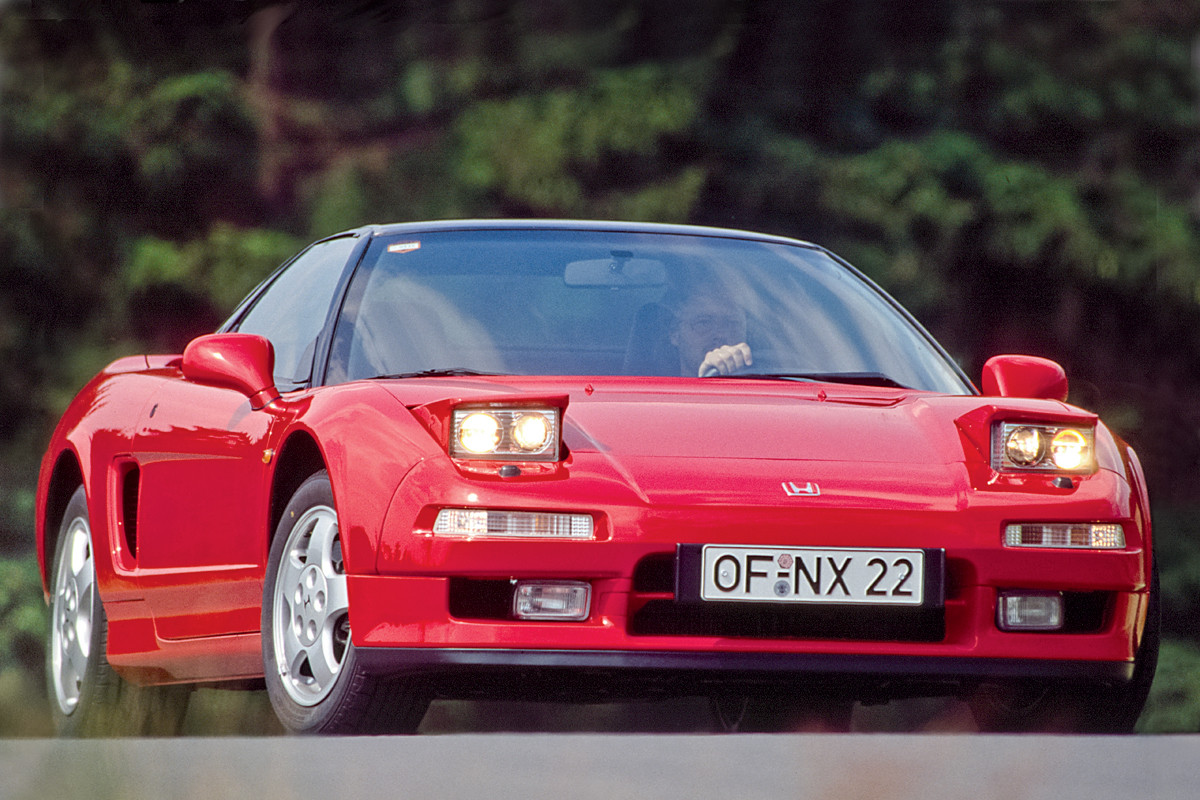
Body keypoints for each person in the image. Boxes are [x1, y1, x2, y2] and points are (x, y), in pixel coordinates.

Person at [668, 287, 753, 377]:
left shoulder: (763, 379)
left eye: (732, 323)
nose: (720, 334)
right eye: (704, 323)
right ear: (674, 333)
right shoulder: (659, 383)